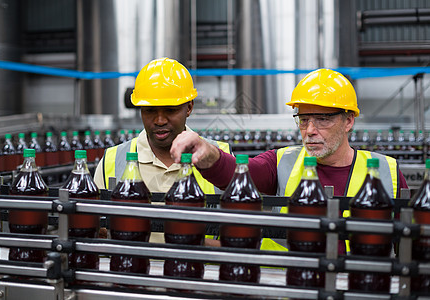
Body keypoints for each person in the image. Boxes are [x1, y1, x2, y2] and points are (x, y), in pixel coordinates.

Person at [171, 68, 408, 251]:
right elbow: (236, 173)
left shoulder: (387, 172)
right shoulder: (281, 162)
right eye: (303, 120)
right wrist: (207, 151)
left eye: (323, 119)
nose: (310, 130)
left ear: (348, 121)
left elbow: (412, 246)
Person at [93, 57, 231, 243]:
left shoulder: (220, 156)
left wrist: (193, 244)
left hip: (200, 269)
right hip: (131, 270)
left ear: (189, 107)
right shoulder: (112, 160)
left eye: (170, 110)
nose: (159, 120)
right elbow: (95, 231)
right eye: (150, 110)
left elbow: (237, 238)